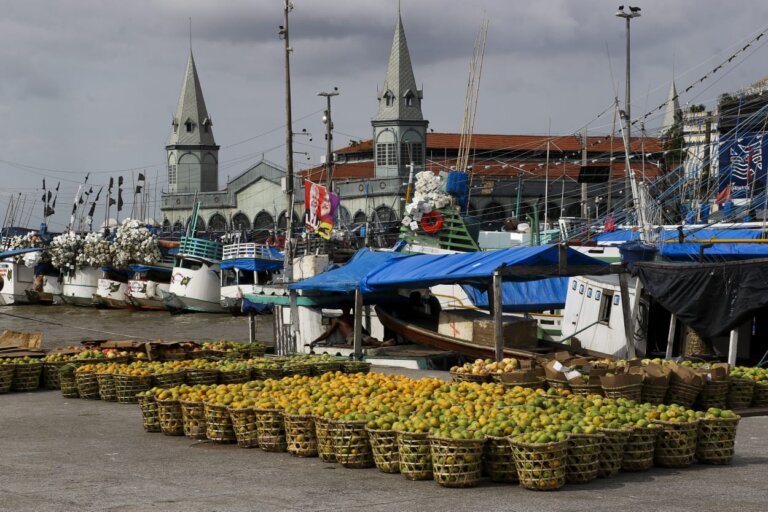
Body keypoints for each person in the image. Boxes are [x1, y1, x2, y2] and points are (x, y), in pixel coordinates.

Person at [309, 308, 395, 348]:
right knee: (357, 341)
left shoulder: (353, 317)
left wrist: (368, 335)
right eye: (345, 307)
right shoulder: (338, 320)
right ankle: (382, 344)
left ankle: (383, 343)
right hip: (350, 337)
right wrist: (315, 341)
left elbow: (362, 328)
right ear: (342, 308)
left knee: (370, 339)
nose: (346, 309)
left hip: (360, 333)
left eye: (348, 307)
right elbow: (328, 333)